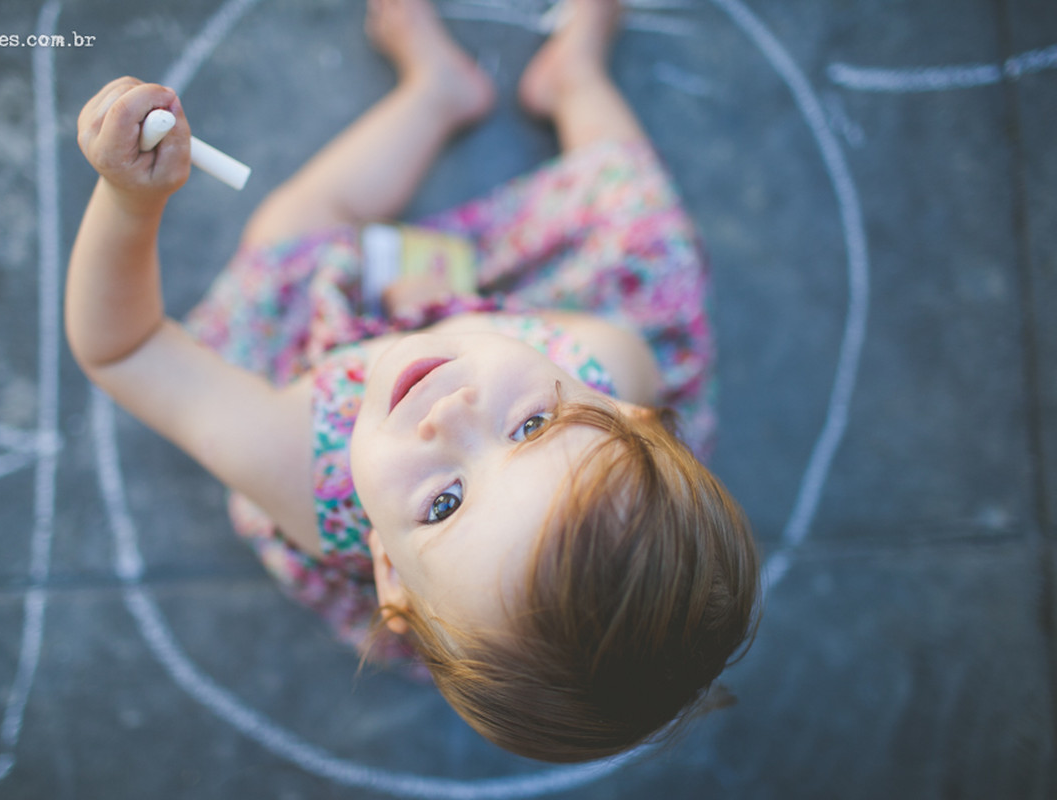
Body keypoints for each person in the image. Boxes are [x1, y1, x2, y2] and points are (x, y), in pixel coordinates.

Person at [67, 0, 759, 764]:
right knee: (641, 226)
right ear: (626, 411)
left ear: (389, 568)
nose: (449, 416)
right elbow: (596, 343)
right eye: (531, 427)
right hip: (523, 305)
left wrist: (130, 201)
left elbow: (125, 350)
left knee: (290, 229)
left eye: (444, 503)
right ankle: (575, 78)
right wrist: (465, 316)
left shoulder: (301, 459)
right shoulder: (612, 356)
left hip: (339, 358)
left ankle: (432, 90)